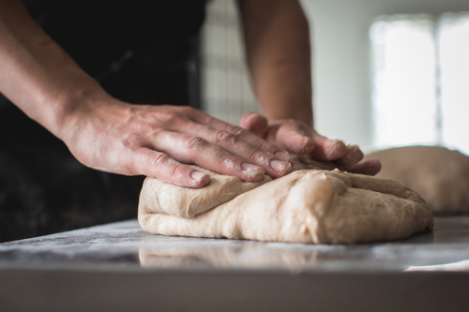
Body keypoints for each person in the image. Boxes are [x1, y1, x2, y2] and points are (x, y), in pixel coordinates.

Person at [0, 0, 380, 240]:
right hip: (18, 157)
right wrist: (79, 111)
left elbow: (270, 6)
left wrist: (287, 124)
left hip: (167, 164)